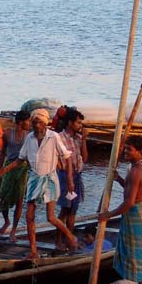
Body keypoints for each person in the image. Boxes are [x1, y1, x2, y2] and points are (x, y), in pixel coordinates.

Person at [0, 109, 77, 259]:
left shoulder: (53, 137)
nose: (35, 125)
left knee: (51, 217)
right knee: (29, 216)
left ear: (45, 123)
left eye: (38, 122)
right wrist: (4, 169)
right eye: (34, 122)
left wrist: (70, 180)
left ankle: (70, 236)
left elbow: (67, 157)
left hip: (49, 179)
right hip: (34, 178)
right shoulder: (29, 139)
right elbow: (20, 159)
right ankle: (34, 251)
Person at [98, 136, 142, 284]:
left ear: (140, 151)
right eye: (126, 148)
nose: (126, 152)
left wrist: (108, 215)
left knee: (140, 255)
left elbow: (130, 202)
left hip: (137, 214)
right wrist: (118, 179)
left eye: (129, 149)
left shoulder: (137, 171)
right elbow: (133, 190)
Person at [56, 107, 88, 250]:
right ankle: (59, 240)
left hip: (77, 175)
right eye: (78, 123)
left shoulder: (79, 138)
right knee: (64, 209)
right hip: (64, 176)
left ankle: (69, 238)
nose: (80, 126)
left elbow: (85, 158)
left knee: (73, 210)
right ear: (69, 123)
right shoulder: (60, 138)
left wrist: (85, 140)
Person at [0, 110, 30, 240]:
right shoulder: (8, 134)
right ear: (21, 122)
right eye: (27, 121)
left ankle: (13, 230)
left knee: (20, 200)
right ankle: (6, 222)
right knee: (4, 195)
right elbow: (2, 152)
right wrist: (0, 169)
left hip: (22, 168)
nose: (29, 124)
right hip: (8, 167)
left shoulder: (29, 136)